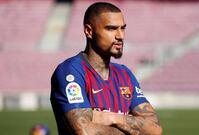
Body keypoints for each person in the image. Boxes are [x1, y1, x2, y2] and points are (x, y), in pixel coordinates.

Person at [50, 2, 163, 135]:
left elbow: (155, 130)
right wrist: (134, 128)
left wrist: (111, 117)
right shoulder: (71, 71)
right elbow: (84, 131)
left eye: (123, 28)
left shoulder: (124, 74)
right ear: (89, 31)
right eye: (111, 28)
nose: (120, 36)